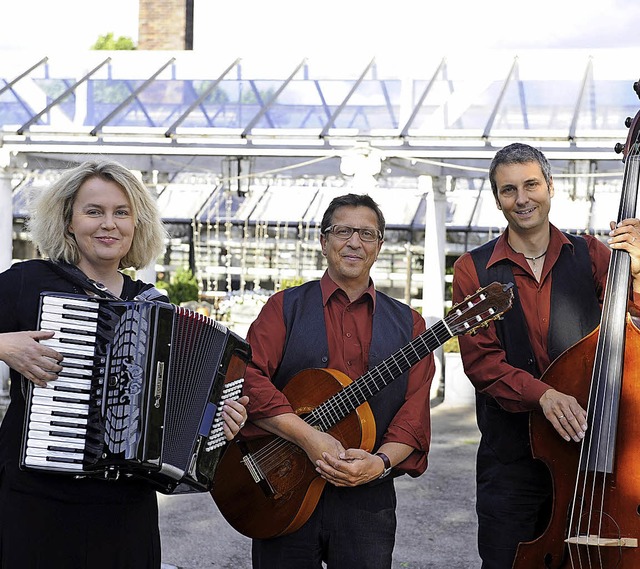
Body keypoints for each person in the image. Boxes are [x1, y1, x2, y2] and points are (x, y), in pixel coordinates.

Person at [0, 160, 249, 569]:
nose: (108, 224)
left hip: (124, 510)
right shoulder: (27, 282)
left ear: (137, 225)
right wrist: (4, 345)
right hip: (37, 502)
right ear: (68, 223)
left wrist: (221, 420)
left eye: (121, 212)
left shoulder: (155, 308)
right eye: (93, 211)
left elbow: (187, 420)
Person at [451, 142, 640, 569]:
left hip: (590, 459)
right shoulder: (472, 269)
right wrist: (544, 396)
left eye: (531, 184)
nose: (522, 199)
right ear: (497, 198)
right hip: (511, 464)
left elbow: (633, 321)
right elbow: (482, 363)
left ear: (551, 187)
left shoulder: (593, 254)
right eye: (508, 190)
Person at [240, 193, 435, 569]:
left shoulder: (410, 325)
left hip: (367, 500)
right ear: (324, 241)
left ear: (379, 246)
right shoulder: (283, 308)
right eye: (343, 231)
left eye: (366, 233)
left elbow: (413, 417)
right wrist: (308, 437)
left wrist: (378, 464)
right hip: (281, 485)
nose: (354, 242)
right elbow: (248, 380)